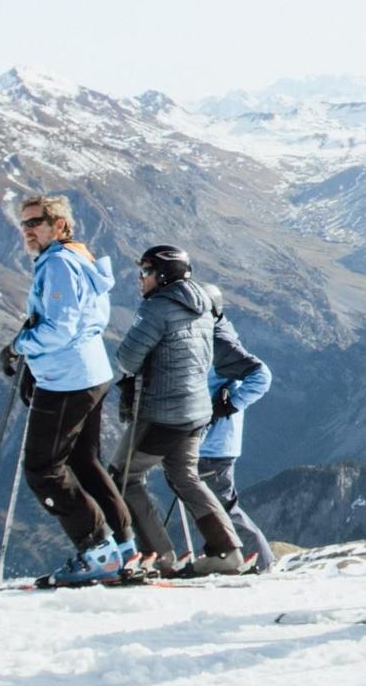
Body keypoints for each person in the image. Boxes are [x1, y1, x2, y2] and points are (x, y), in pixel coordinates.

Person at [5, 194, 133, 585]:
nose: (27, 230)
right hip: (90, 371)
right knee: (83, 460)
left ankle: (97, 549)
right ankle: (122, 544)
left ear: (59, 224)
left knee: (43, 470)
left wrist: (17, 346)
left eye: (35, 222)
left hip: (66, 378)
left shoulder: (59, 264)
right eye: (23, 223)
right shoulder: (79, 258)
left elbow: (58, 328)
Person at [115, 246, 247, 577]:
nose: (140, 279)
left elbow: (127, 359)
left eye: (145, 272)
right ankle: (227, 552)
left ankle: (159, 557)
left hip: (161, 411)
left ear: (162, 275)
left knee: (123, 476)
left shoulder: (156, 308)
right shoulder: (203, 306)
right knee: (185, 477)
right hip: (195, 411)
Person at [196, 287, 277, 574]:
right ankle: (226, 555)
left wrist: (229, 406)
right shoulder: (213, 337)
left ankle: (261, 563)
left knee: (222, 506)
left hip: (214, 442)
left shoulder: (219, 344)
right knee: (214, 505)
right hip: (211, 440)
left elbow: (261, 375)